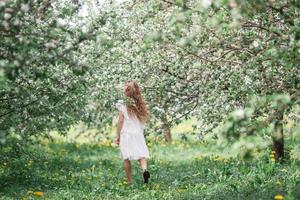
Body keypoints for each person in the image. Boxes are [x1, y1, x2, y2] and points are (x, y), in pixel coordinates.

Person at [115, 80, 150, 184]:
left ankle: (130, 181)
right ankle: (144, 170)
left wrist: (118, 136)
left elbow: (120, 121)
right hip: (138, 133)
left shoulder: (122, 104)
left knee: (126, 158)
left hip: (126, 133)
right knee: (141, 154)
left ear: (126, 92)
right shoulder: (140, 104)